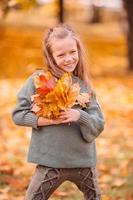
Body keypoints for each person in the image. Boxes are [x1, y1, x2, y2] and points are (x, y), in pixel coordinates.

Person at [12, 24, 105, 200]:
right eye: (61, 54)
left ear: (78, 51)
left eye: (72, 52)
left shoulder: (84, 87)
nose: (68, 58)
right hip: (49, 163)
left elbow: (98, 124)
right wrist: (48, 120)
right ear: (51, 57)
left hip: (82, 162)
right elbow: (18, 115)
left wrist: (80, 116)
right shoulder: (38, 81)